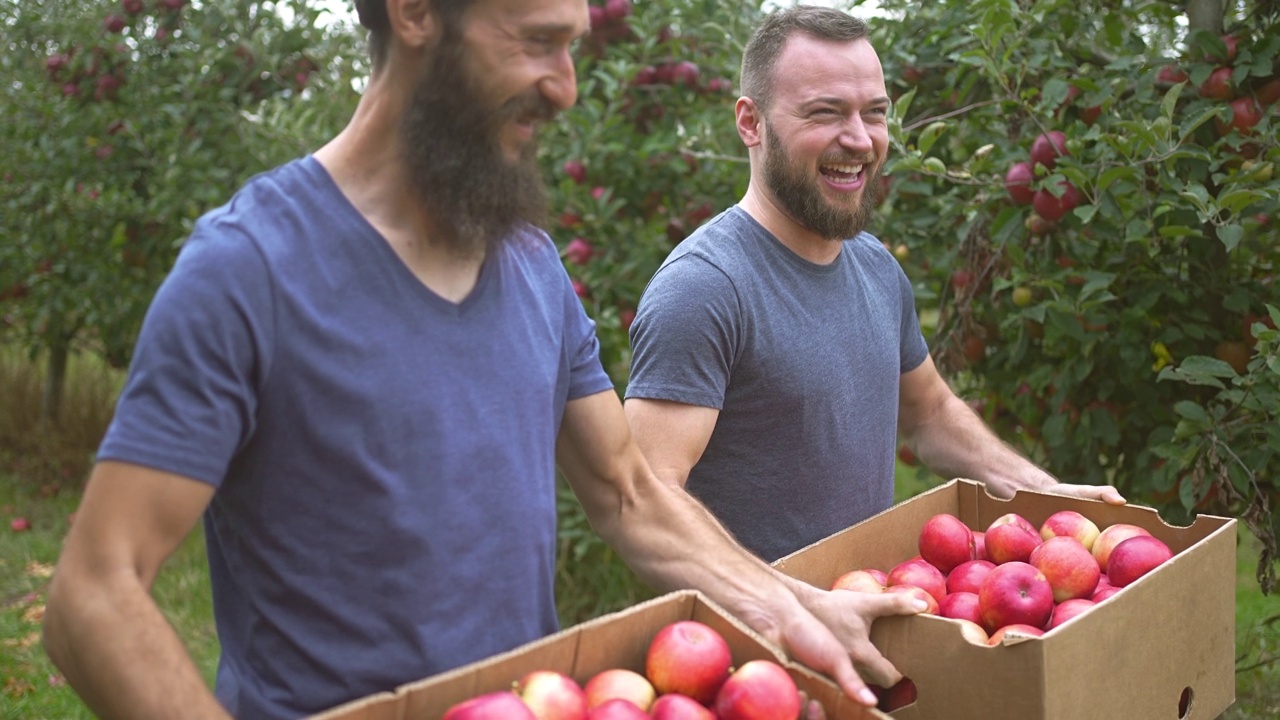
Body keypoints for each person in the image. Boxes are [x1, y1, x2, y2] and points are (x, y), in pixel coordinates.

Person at [40, 1, 924, 718]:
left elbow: (630, 493)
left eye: (572, 46)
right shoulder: (250, 269)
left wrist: (792, 611)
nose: (567, 87)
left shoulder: (529, 266)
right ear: (417, 14)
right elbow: (93, 596)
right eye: (538, 43)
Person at [624, 5, 1125, 565]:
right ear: (751, 123)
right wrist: (789, 606)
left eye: (875, 113)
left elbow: (929, 413)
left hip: (870, 612)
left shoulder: (876, 267)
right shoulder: (704, 289)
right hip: (760, 641)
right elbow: (648, 500)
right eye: (825, 113)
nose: (861, 140)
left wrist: (1038, 491)